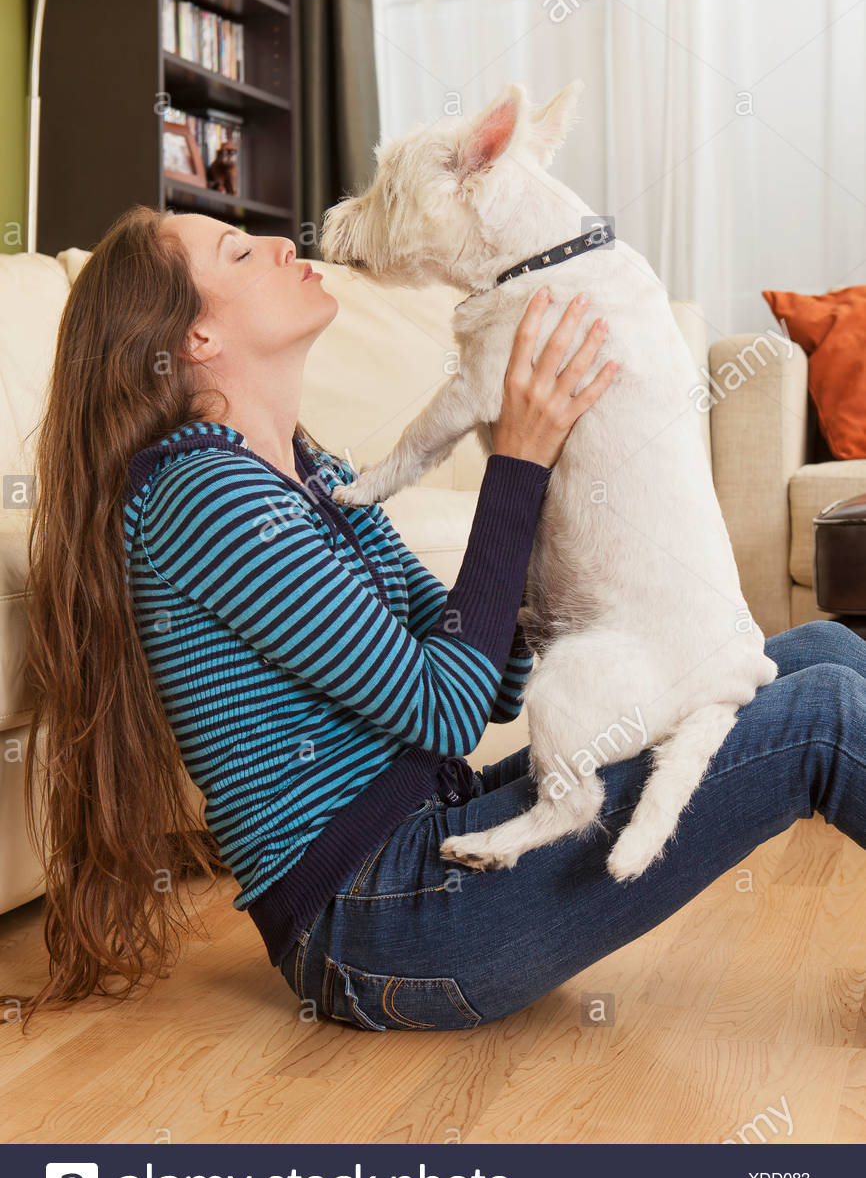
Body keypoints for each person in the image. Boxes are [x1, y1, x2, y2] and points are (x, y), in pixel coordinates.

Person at [16, 205, 866, 1035]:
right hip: (379, 919)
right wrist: (517, 461)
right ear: (196, 339)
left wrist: (563, 489)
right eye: (238, 254)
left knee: (825, 649)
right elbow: (446, 708)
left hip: (435, 843)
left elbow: (489, 685)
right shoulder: (203, 496)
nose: (281, 242)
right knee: (824, 715)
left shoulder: (319, 475)